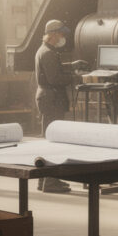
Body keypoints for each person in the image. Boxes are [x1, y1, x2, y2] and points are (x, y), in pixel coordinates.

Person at [34, 20, 88, 193]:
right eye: (62, 34)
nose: (63, 37)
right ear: (54, 34)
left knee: (49, 139)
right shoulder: (49, 53)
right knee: (53, 141)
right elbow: (55, 79)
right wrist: (76, 77)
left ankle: (44, 181)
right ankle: (50, 183)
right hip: (52, 98)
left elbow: (53, 69)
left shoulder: (46, 50)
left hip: (48, 97)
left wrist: (72, 66)